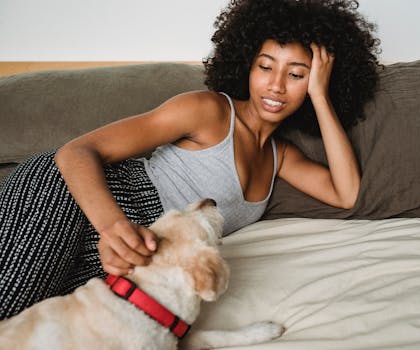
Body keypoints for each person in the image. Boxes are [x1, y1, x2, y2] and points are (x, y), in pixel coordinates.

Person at [0, 0, 380, 320]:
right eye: (265, 67)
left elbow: (346, 193)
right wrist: (114, 227)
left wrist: (320, 94)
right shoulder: (209, 111)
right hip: (75, 196)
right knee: (10, 306)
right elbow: (76, 152)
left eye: (296, 74)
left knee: (35, 324)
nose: (276, 85)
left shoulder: (281, 157)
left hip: (139, 253)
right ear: (247, 64)